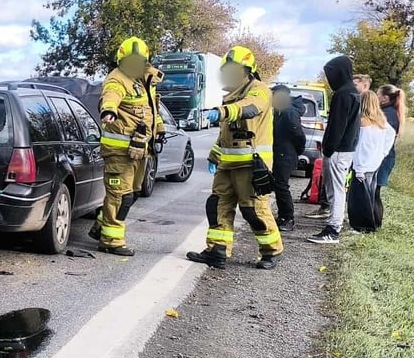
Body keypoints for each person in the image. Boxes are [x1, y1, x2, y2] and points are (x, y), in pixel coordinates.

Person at [187, 46, 283, 270]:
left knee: (254, 211)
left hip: (251, 164)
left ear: (247, 70)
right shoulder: (230, 94)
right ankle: (217, 250)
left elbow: (249, 109)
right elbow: (226, 135)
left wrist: (223, 112)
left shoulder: (259, 90)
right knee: (218, 205)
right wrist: (214, 156)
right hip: (227, 165)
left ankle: (272, 250)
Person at [87, 36, 164, 257]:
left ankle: (102, 226)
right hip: (119, 153)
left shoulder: (141, 81)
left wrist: (159, 128)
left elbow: (150, 108)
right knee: (121, 196)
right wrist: (109, 110)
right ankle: (111, 240)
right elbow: (110, 96)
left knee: (134, 193)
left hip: (140, 150)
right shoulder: (117, 79)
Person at [307, 55, 361, 244]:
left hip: (338, 150)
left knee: (337, 189)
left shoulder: (343, 94)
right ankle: (333, 222)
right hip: (345, 148)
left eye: (330, 74)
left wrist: (328, 148)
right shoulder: (352, 92)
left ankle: (333, 230)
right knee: (335, 188)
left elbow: (338, 125)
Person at [347, 91, 396, 232]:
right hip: (374, 164)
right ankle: (372, 223)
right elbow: (391, 134)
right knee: (371, 195)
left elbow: (361, 147)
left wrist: (359, 168)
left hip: (362, 165)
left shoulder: (363, 123)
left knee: (360, 199)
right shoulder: (381, 121)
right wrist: (383, 153)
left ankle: (362, 226)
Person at [271, 85, 306, 231]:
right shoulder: (280, 111)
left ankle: (288, 218)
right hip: (281, 152)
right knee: (278, 185)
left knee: (281, 186)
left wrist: (297, 150)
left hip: (286, 154)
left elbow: (298, 134)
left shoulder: (288, 112)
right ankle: (283, 216)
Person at [376, 84, 405, 187]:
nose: (376, 97)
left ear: (385, 98)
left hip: (382, 158)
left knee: (374, 193)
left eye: (378, 94)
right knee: (373, 193)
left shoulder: (386, 115)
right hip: (386, 157)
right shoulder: (393, 112)